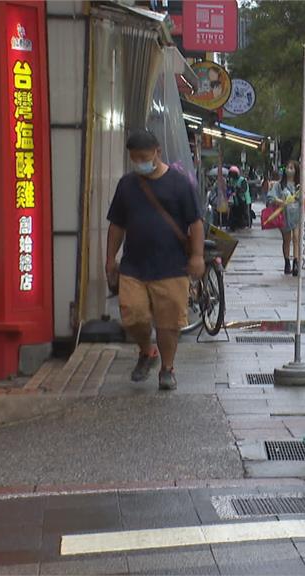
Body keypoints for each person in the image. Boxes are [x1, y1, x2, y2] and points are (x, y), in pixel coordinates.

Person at [106, 129, 205, 391]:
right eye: (134, 158)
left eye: (143, 156)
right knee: (133, 316)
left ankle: (167, 368)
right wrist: (109, 260)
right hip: (134, 266)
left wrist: (197, 256)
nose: (139, 162)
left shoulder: (179, 183)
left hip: (171, 266)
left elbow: (195, 223)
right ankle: (146, 350)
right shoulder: (127, 185)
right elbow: (116, 225)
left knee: (168, 323)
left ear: (158, 153)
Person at [268, 161, 303, 276]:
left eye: (292, 168)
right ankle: (287, 262)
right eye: (288, 167)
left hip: (297, 215)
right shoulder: (279, 185)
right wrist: (280, 201)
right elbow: (271, 197)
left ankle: (296, 262)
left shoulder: (299, 185)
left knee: (297, 238)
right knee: (287, 240)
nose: (289, 170)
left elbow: (304, 199)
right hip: (284, 215)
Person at [226, 166, 251, 231]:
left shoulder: (242, 180)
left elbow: (244, 189)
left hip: (244, 199)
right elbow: (230, 188)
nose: (232, 176)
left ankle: (245, 224)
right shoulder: (232, 180)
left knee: (244, 213)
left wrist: (237, 190)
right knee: (235, 213)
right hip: (235, 200)